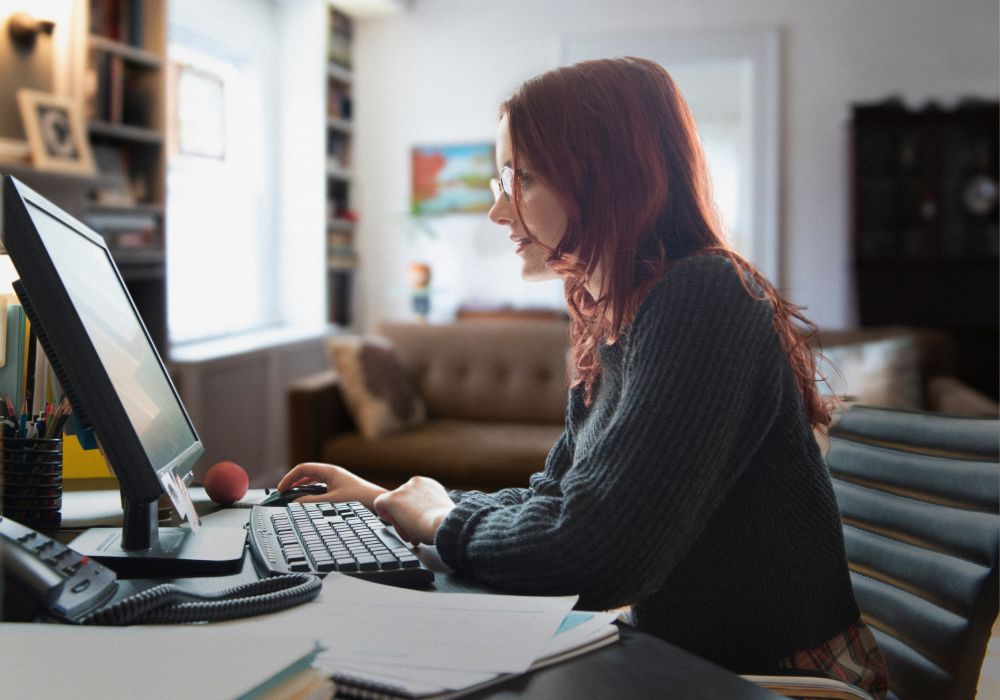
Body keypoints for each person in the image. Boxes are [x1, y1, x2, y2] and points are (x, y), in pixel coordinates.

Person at [278, 57, 888, 695]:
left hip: (781, 681)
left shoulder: (705, 296)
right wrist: (389, 502)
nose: (498, 211)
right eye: (502, 179)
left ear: (609, 178)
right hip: (690, 660)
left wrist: (438, 521)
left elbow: (594, 553)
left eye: (526, 178)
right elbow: (557, 502)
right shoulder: (617, 321)